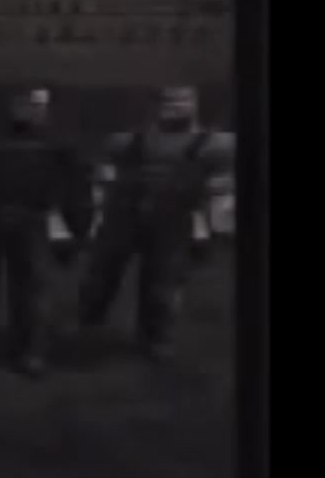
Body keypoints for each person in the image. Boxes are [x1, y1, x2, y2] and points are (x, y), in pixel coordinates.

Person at [78, 85, 236, 362]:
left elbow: (223, 185)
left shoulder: (216, 144)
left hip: (174, 220)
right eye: (167, 100)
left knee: (163, 283)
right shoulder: (127, 141)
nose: (174, 105)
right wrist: (104, 191)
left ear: (194, 103)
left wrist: (211, 218)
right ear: (156, 105)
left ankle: (156, 338)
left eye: (182, 99)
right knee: (100, 275)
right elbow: (103, 173)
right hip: (124, 215)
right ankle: (89, 323)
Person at [0, 88, 95, 374]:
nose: (34, 110)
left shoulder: (59, 146)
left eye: (40, 105)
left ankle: (32, 348)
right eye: (28, 103)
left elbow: (76, 190)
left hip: (32, 221)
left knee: (32, 290)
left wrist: (78, 230)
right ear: (13, 106)